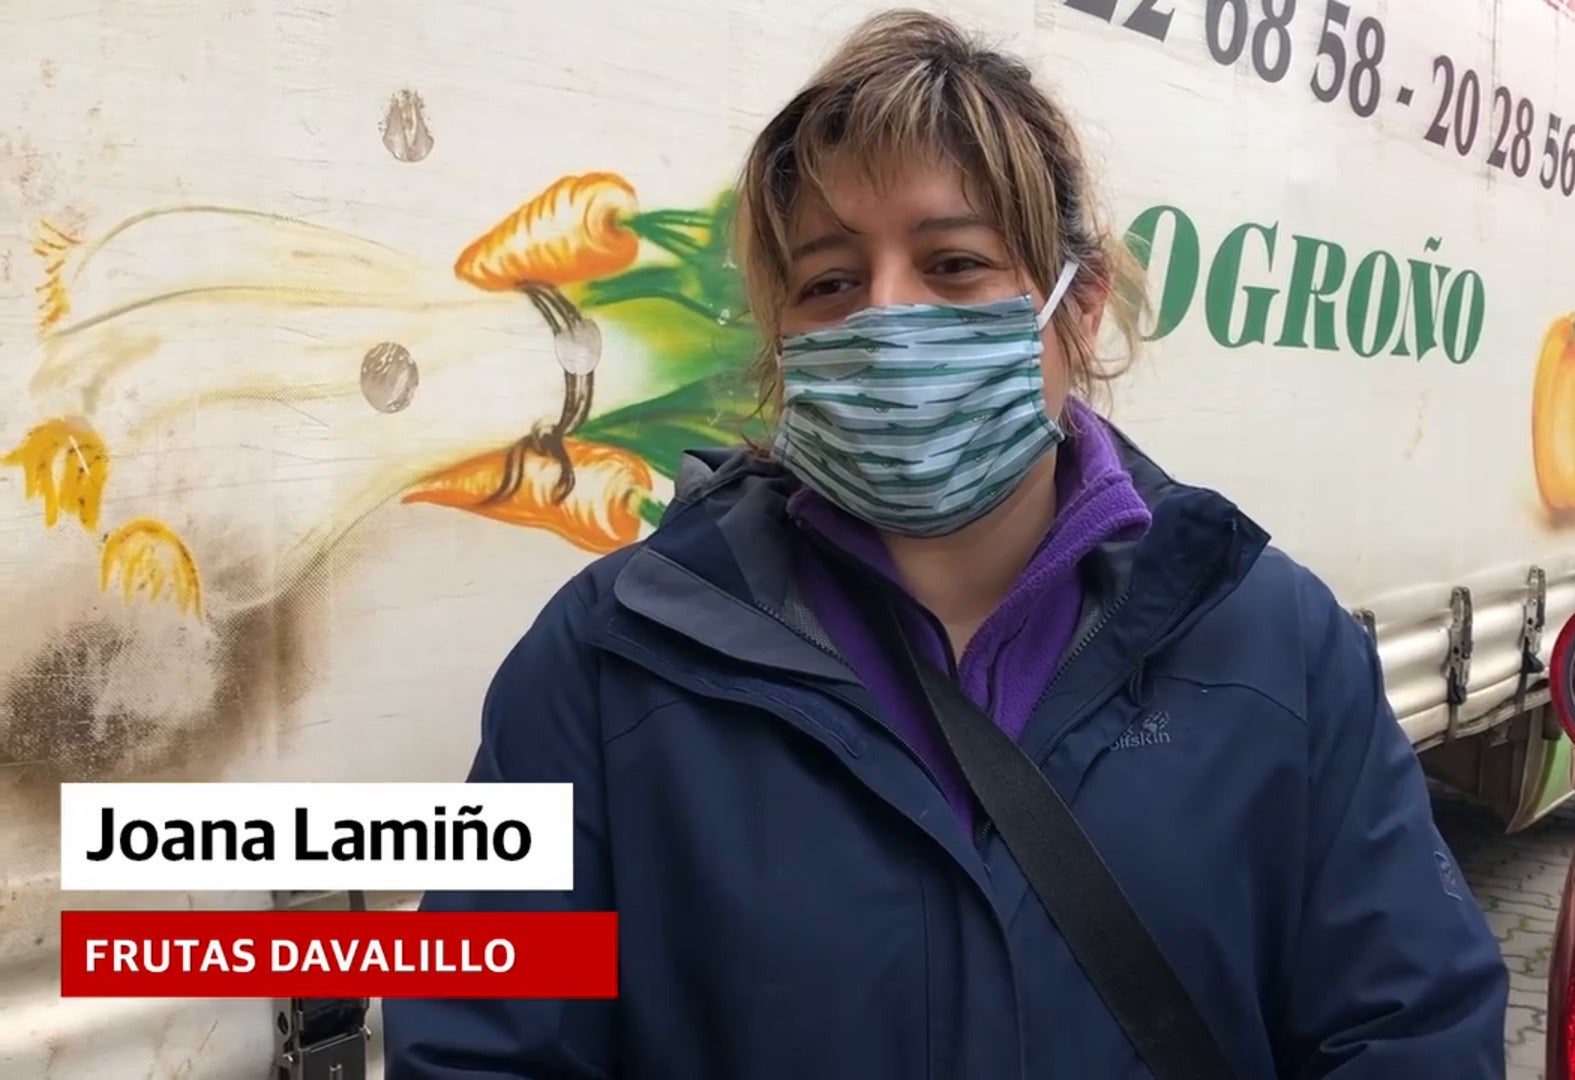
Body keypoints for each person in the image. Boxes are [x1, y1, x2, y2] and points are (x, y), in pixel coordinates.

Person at [383, 9, 1508, 1078]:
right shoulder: (603, 660)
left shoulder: (1275, 644)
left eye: (955, 263)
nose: (885, 315)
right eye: (830, 280)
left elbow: (1409, 1026)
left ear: (1079, 304)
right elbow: (482, 1044)